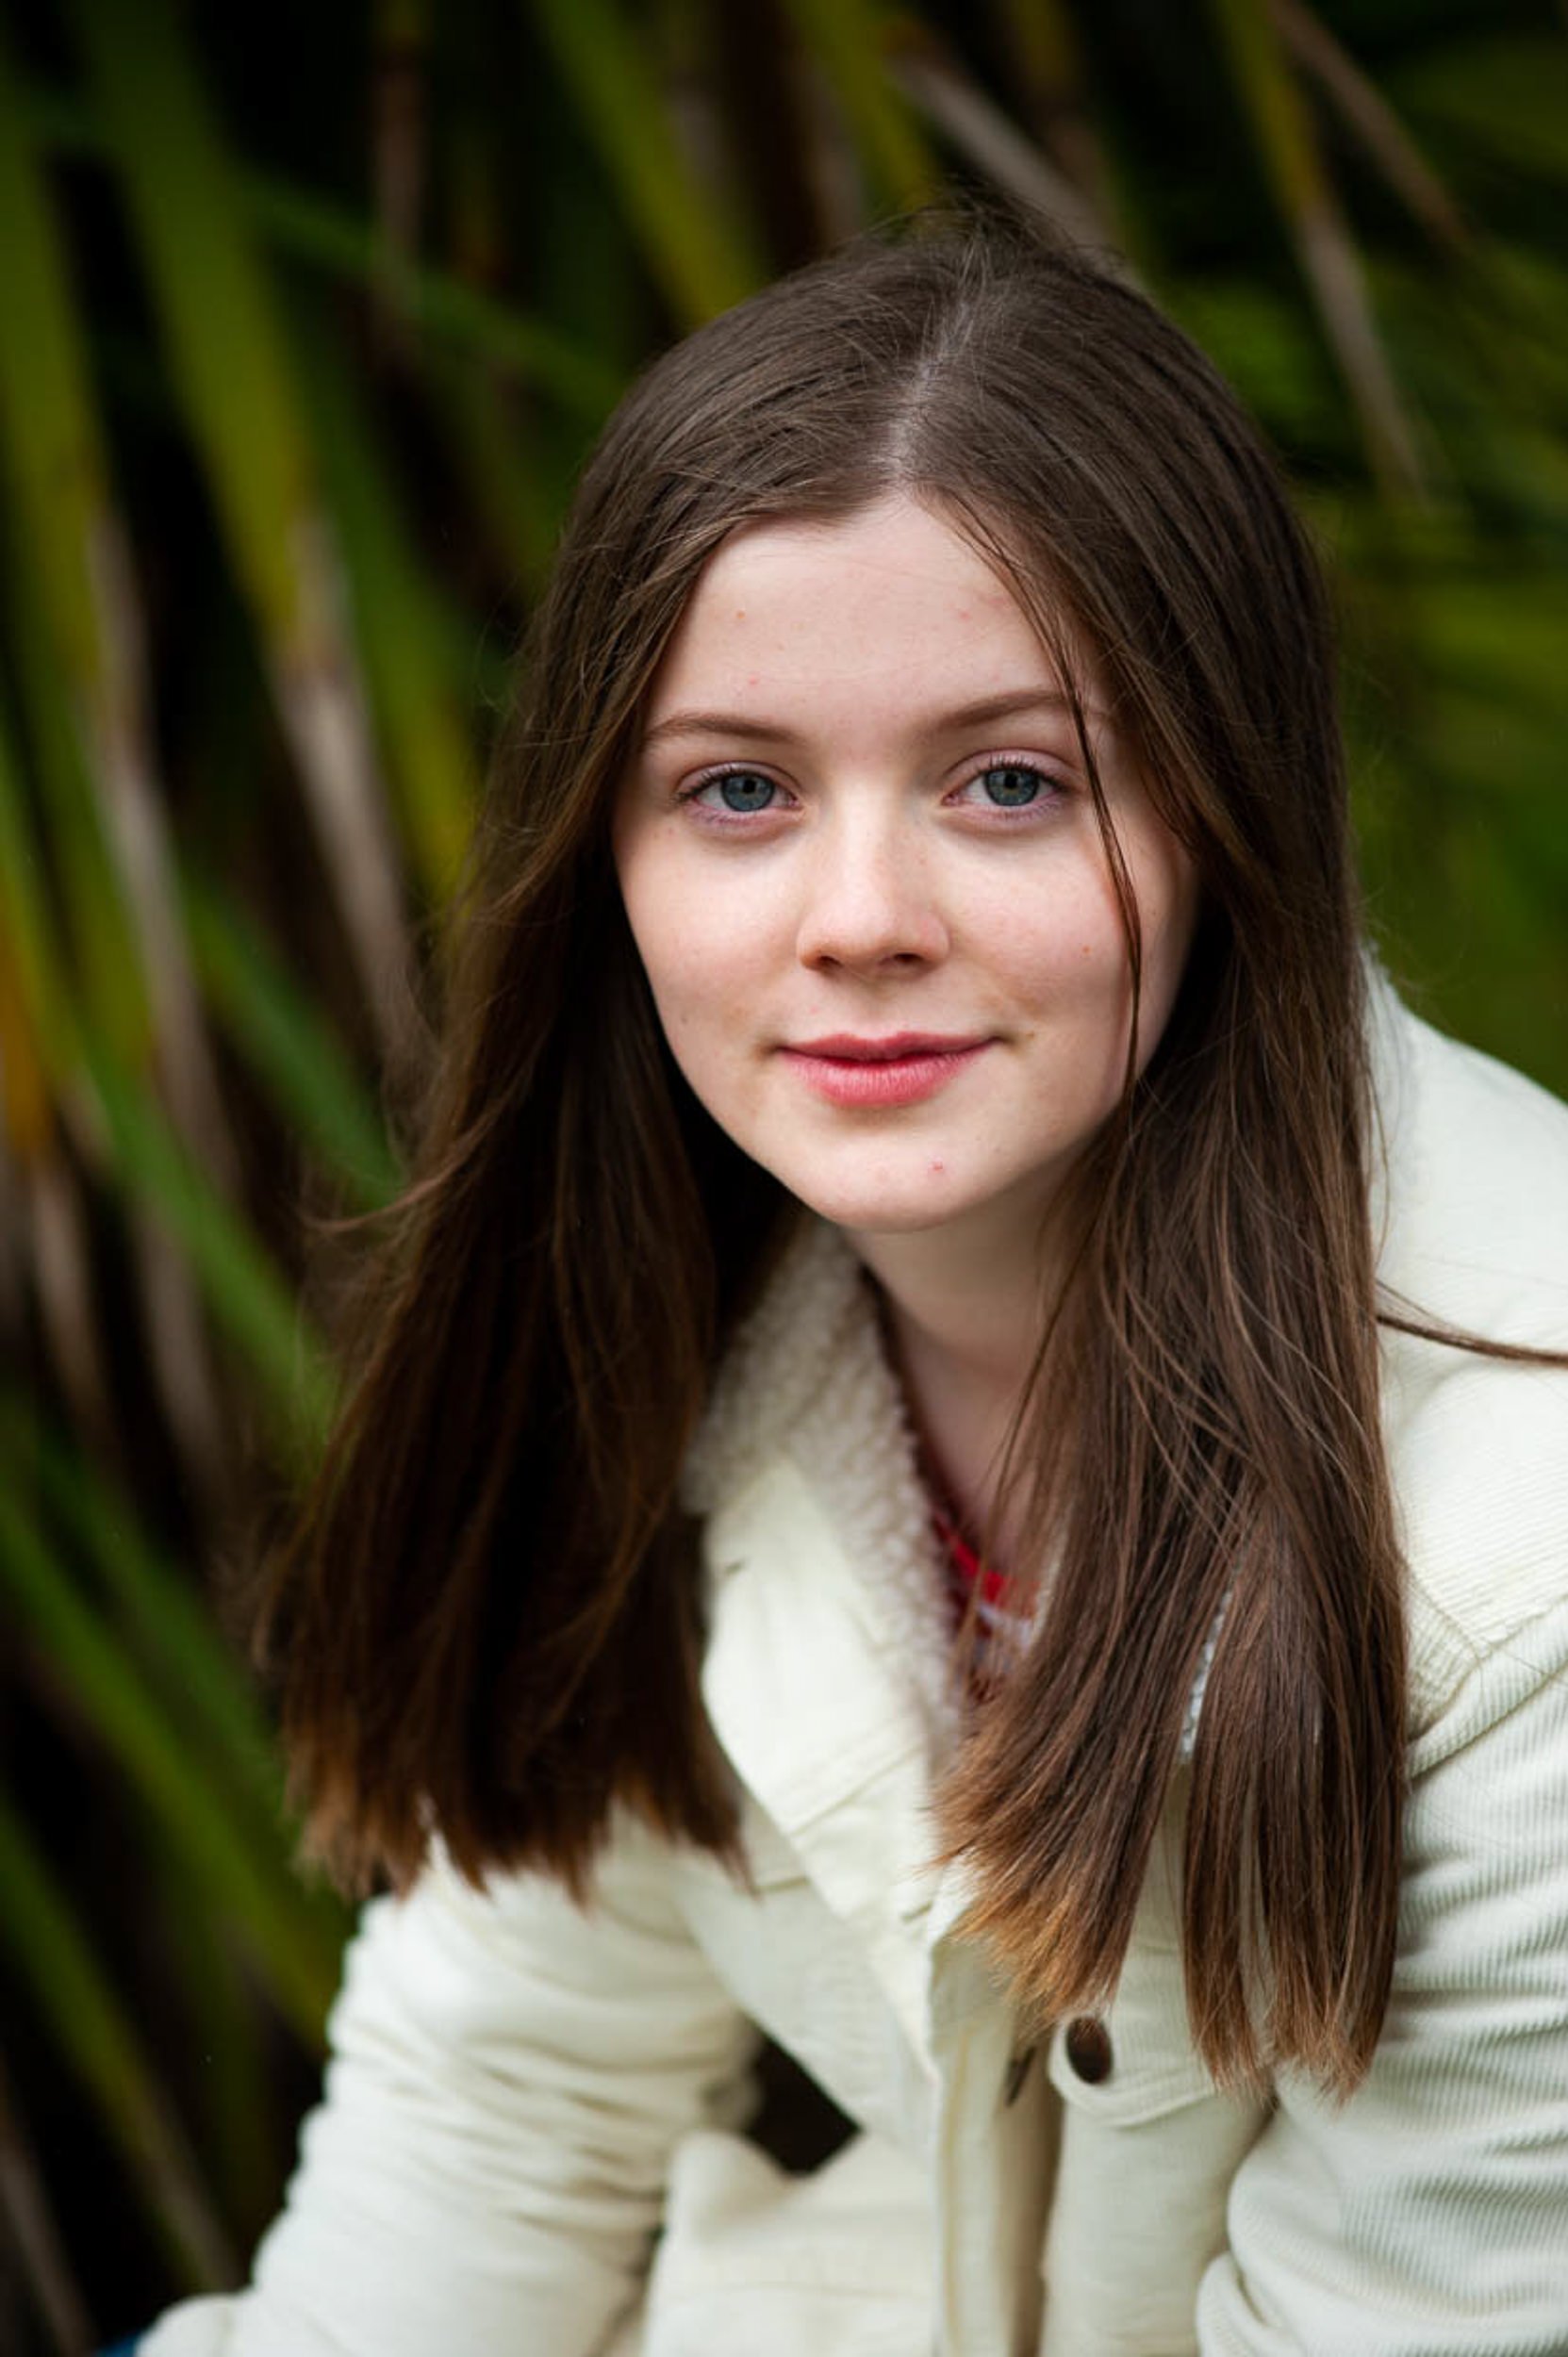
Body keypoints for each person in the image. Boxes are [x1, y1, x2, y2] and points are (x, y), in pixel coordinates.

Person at [139, 216, 1568, 2357]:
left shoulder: (1523, 1544)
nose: (859, 915)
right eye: (737, 789)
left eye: (1009, 779)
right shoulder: (682, 1332)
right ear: (600, 857)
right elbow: (509, 2105)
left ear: (1226, 810)